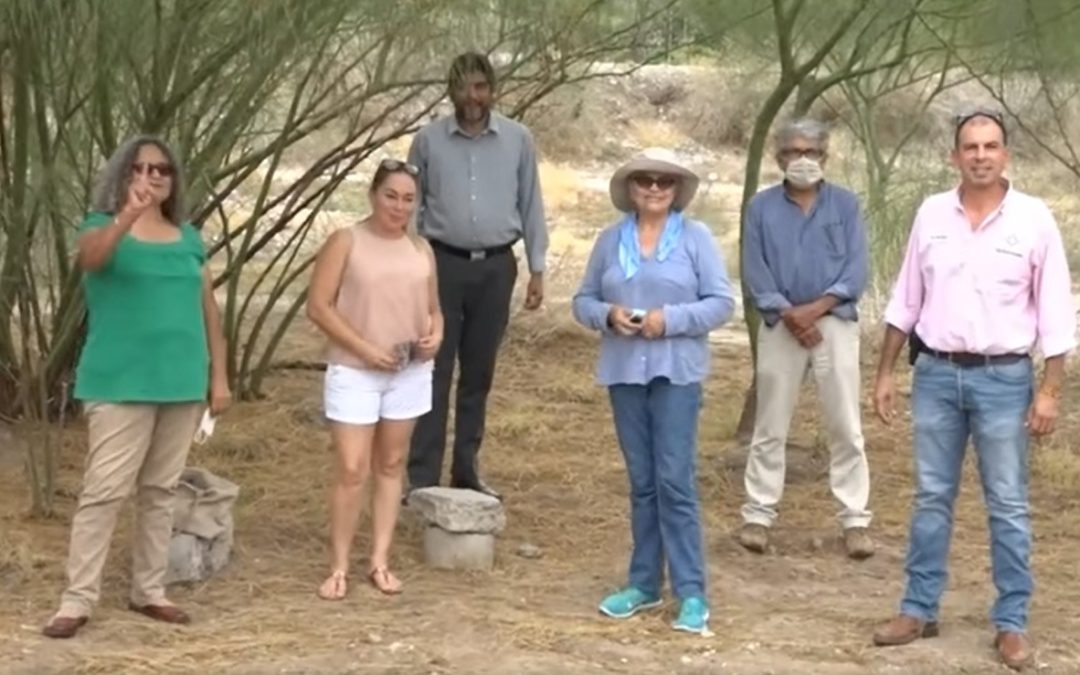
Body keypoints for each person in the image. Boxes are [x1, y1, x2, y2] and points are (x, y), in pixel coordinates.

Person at [871, 107, 1075, 671]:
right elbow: (905, 299)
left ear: (1006, 154)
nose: (981, 155)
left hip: (1004, 380)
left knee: (1007, 504)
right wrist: (887, 372)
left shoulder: (1032, 219)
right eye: (971, 146)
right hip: (935, 375)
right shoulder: (932, 214)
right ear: (954, 156)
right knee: (931, 497)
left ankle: (1010, 623)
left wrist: (1050, 390)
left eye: (991, 146)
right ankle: (918, 608)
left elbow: (1057, 311)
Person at [43, 135, 231, 639]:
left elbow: (207, 308)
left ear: (173, 180)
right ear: (123, 175)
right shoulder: (99, 227)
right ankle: (78, 599)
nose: (151, 178)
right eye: (140, 169)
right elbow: (93, 261)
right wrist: (127, 216)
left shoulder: (188, 237)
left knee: (160, 491)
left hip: (181, 380)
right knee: (104, 491)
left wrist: (219, 375)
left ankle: (149, 590)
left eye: (161, 170)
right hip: (119, 380)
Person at [572, 147, 735, 635]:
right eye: (645, 180)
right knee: (642, 481)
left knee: (674, 480)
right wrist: (607, 315)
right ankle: (644, 584)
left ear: (678, 190)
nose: (655, 188)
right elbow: (583, 300)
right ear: (631, 188)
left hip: (676, 371)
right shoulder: (609, 239)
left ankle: (691, 592)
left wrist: (670, 321)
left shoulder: (696, 238)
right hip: (624, 372)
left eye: (665, 181)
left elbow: (721, 302)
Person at [405, 51, 548, 500]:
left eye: (481, 87)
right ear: (451, 90)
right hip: (440, 265)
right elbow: (411, 206)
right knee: (433, 369)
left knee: (478, 373)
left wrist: (537, 268)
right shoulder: (428, 141)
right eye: (464, 87)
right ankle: (421, 478)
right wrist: (409, 266)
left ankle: (466, 470)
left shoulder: (517, 139)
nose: (472, 97)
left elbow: (531, 203)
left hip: (495, 268)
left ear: (493, 89)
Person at [738, 118, 874, 559]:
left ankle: (854, 520)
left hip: (832, 321)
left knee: (845, 423)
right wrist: (789, 313)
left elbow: (855, 271)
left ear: (825, 158)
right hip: (781, 322)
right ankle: (758, 514)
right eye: (793, 152)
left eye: (811, 152)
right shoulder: (760, 208)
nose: (803, 160)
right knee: (770, 423)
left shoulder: (846, 205)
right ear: (779, 159)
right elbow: (755, 269)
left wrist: (814, 310)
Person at [307, 159, 443, 599]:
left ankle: (379, 560)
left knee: (390, 464)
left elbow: (434, 308)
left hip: (408, 370)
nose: (399, 207)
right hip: (355, 367)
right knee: (352, 467)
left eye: (408, 199)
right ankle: (338, 566)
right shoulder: (347, 241)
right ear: (373, 195)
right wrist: (366, 349)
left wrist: (435, 335)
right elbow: (319, 306)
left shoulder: (421, 249)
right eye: (391, 196)